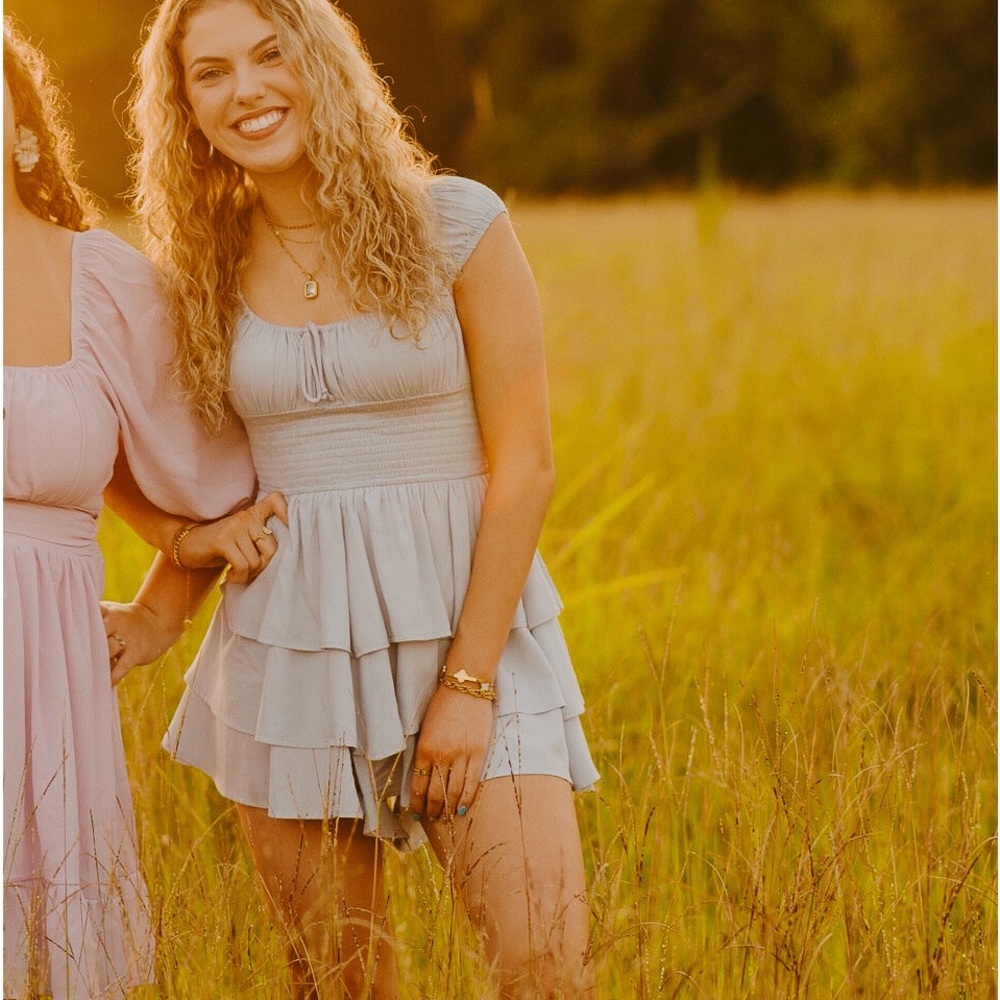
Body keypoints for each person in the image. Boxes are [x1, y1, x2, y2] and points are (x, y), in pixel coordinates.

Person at [121, 0, 601, 996]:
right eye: (210, 74)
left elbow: (526, 467)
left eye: (268, 54)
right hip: (289, 647)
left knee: (543, 964)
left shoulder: (458, 221)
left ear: (321, 61)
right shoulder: (198, 274)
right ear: (186, 108)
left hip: (474, 632)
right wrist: (169, 579)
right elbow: (183, 464)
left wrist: (467, 687)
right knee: (339, 982)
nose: (246, 89)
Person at [2, 17, 286, 999]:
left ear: (24, 126)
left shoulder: (105, 284)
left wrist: (177, 564)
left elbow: (201, 460)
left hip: (39, 673)